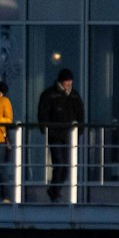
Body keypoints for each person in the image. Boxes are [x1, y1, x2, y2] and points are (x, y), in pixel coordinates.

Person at [36, 68, 85, 203]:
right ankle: (55, 193)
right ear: (61, 81)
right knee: (60, 164)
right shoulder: (49, 94)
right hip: (55, 135)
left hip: (70, 136)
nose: (68, 84)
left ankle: (54, 190)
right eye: (66, 81)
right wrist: (47, 130)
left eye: (70, 81)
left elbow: (80, 114)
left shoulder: (74, 95)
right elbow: (43, 114)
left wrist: (79, 131)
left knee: (67, 166)